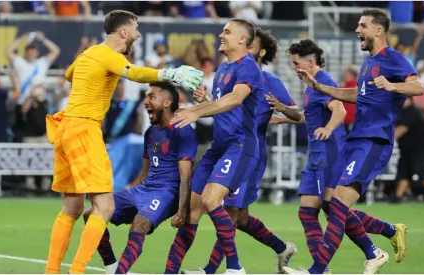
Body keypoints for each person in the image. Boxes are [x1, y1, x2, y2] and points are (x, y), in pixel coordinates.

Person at [43, 10, 203, 274]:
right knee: (104, 206)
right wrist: (170, 74)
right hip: (84, 128)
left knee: (72, 206)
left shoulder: (89, 54)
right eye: (136, 29)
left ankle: (52, 271)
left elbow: (71, 74)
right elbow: (133, 73)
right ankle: (77, 271)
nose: (138, 34)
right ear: (124, 32)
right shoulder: (109, 55)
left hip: (65, 128)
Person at [283, 9, 424, 274]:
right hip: (355, 139)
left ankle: (319, 271)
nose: (357, 30)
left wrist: (393, 86)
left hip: (374, 140)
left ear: (378, 31)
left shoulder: (393, 59)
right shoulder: (369, 62)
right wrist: (320, 88)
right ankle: (383, 242)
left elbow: (418, 86)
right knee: (332, 205)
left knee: (336, 205)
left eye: (362, 25)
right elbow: (356, 95)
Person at [268, 39, 406, 274]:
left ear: (310, 63)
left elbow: (339, 110)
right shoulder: (311, 85)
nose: (293, 67)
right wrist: (282, 113)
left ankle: (325, 267)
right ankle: (386, 236)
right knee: (307, 211)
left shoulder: (324, 82)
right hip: (316, 155)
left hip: (329, 153)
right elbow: (309, 115)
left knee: (335, 208)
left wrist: (329, 129)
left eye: (296, 63)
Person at [180, 28, 300, 275]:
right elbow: (229, 107)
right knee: (241, 217)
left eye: (251, 43)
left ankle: (214, 270)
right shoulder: (229, 70)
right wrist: (205, 102)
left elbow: (298, 115)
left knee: (230, 211)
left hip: (247, 151)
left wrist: (279, 114)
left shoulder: (270, 81)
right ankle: (281, 248)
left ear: (260, 50)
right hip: (226, 147)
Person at [165, 18, 264, 275]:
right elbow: (224, 109)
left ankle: (235, 268)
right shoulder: (223, 68)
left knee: (211, 199)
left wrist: (197, 110)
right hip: (219, 145)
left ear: (243, 39)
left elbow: (235, 99)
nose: (221, 35)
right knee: (190, 211)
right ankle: (170, 271)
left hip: (240, 145)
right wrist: (207, 100)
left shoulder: (249, 67)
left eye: (227, 32)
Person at [83, 82, 197, 274]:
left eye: (151, 97)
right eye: (145, 97)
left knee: (139, 224)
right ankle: (111, 266)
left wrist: (181, 210)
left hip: (166, 193)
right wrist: (133, 198)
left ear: (167, 102)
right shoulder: (151, 132)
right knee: (91, 214)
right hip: (144, 190)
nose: (145, 102)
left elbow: (185, 176)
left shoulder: (183, 131)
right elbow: (145, 172)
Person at [392, 97, 424, 203]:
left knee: (420, 170)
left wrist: (384, 139)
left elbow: (401, 130)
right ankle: (398, 197)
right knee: (404, 170)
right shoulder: (400, 111)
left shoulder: (412, 111)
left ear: (410, 100)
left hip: (421, 146)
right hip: (407, 147)